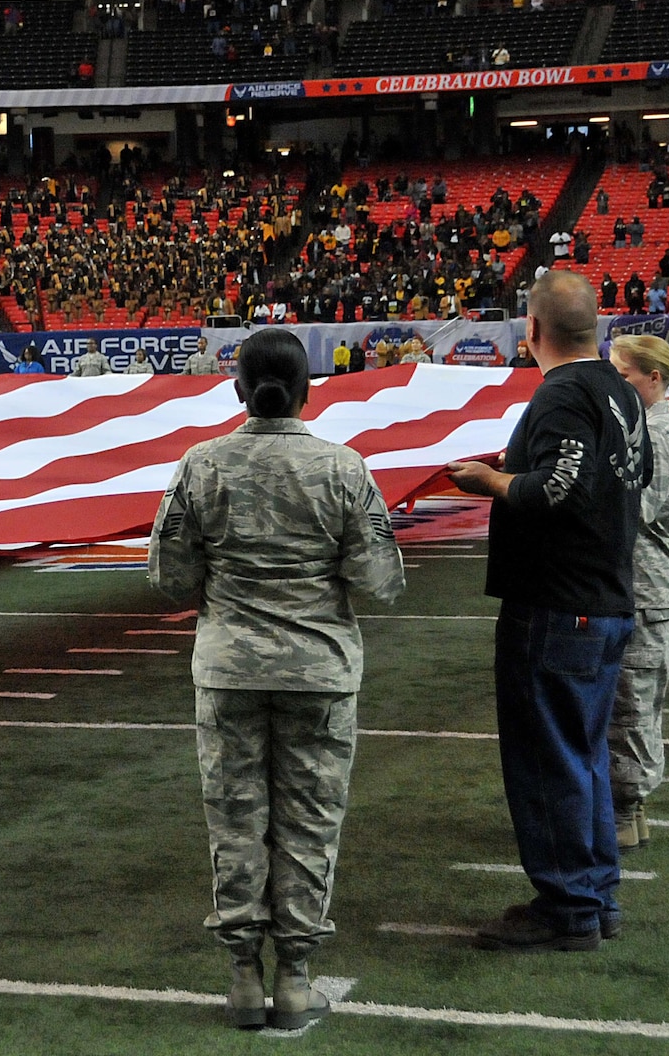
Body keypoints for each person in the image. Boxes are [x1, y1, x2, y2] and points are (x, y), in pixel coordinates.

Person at [148, 327, 404, 1029]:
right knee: (310, 825)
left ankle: (240, 976)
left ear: (238, 389)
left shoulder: (201, 465)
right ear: (307, 390)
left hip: (229, 667)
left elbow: (171, 577)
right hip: (318, 670)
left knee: (234, 822)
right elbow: (378, 580)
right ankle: (294, 977)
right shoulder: (344, 468)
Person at [448, 271, 649, 950]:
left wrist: (491, 480)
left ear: (531, 330)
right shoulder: (620, 391)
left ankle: (566, 907)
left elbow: (560, 488)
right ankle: (595, 895)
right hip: (604, 595)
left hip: (559, 604)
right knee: (583, 756)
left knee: (549, 761)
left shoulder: (563, 393)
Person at [605, 335, 669, 852]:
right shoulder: (652, 427)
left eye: (625, 376)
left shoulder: (656, 433)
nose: (617, 386)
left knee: (632, 707)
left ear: (653, 377)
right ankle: (629, 809)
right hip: (644, 583)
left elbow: (637, 509)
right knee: (633, 704)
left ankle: (625, 808)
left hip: (646, 585)